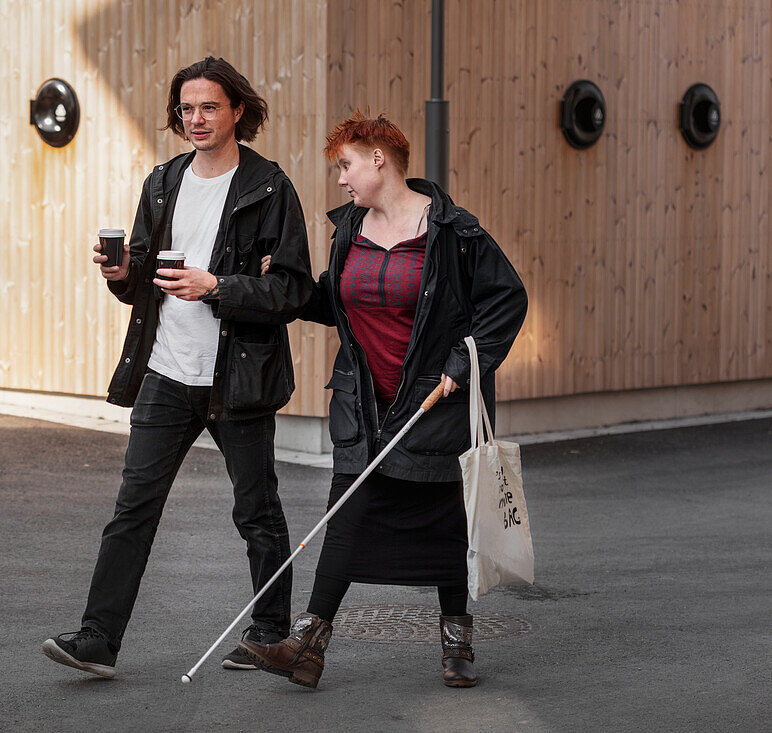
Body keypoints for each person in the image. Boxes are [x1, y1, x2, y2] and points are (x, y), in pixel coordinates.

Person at [42, 57, 313, 679]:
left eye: (209, 107)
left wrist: (217, 285)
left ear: (237, 111)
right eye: (187, 108)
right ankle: (97, 640)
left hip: (235, 374)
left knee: (256, 510)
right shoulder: (163, 182)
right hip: (166, 372)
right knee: (132, 508)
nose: (196, 119)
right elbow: (143, 274)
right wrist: (120, 274)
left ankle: (271, 635)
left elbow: (294, 290)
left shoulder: (270, 188)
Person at [239, 111, 527, 689]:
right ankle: (308, 646)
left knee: (445, 521)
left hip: (433, 402)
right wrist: (290, 284)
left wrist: (461, 366)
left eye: (345, 165)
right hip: (364, 403)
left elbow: (506, 301)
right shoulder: (348, 229)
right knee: (345, 514)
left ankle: (456, 642)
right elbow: (336, 303)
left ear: (379, 158)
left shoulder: (452, 232)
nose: (341, 179)